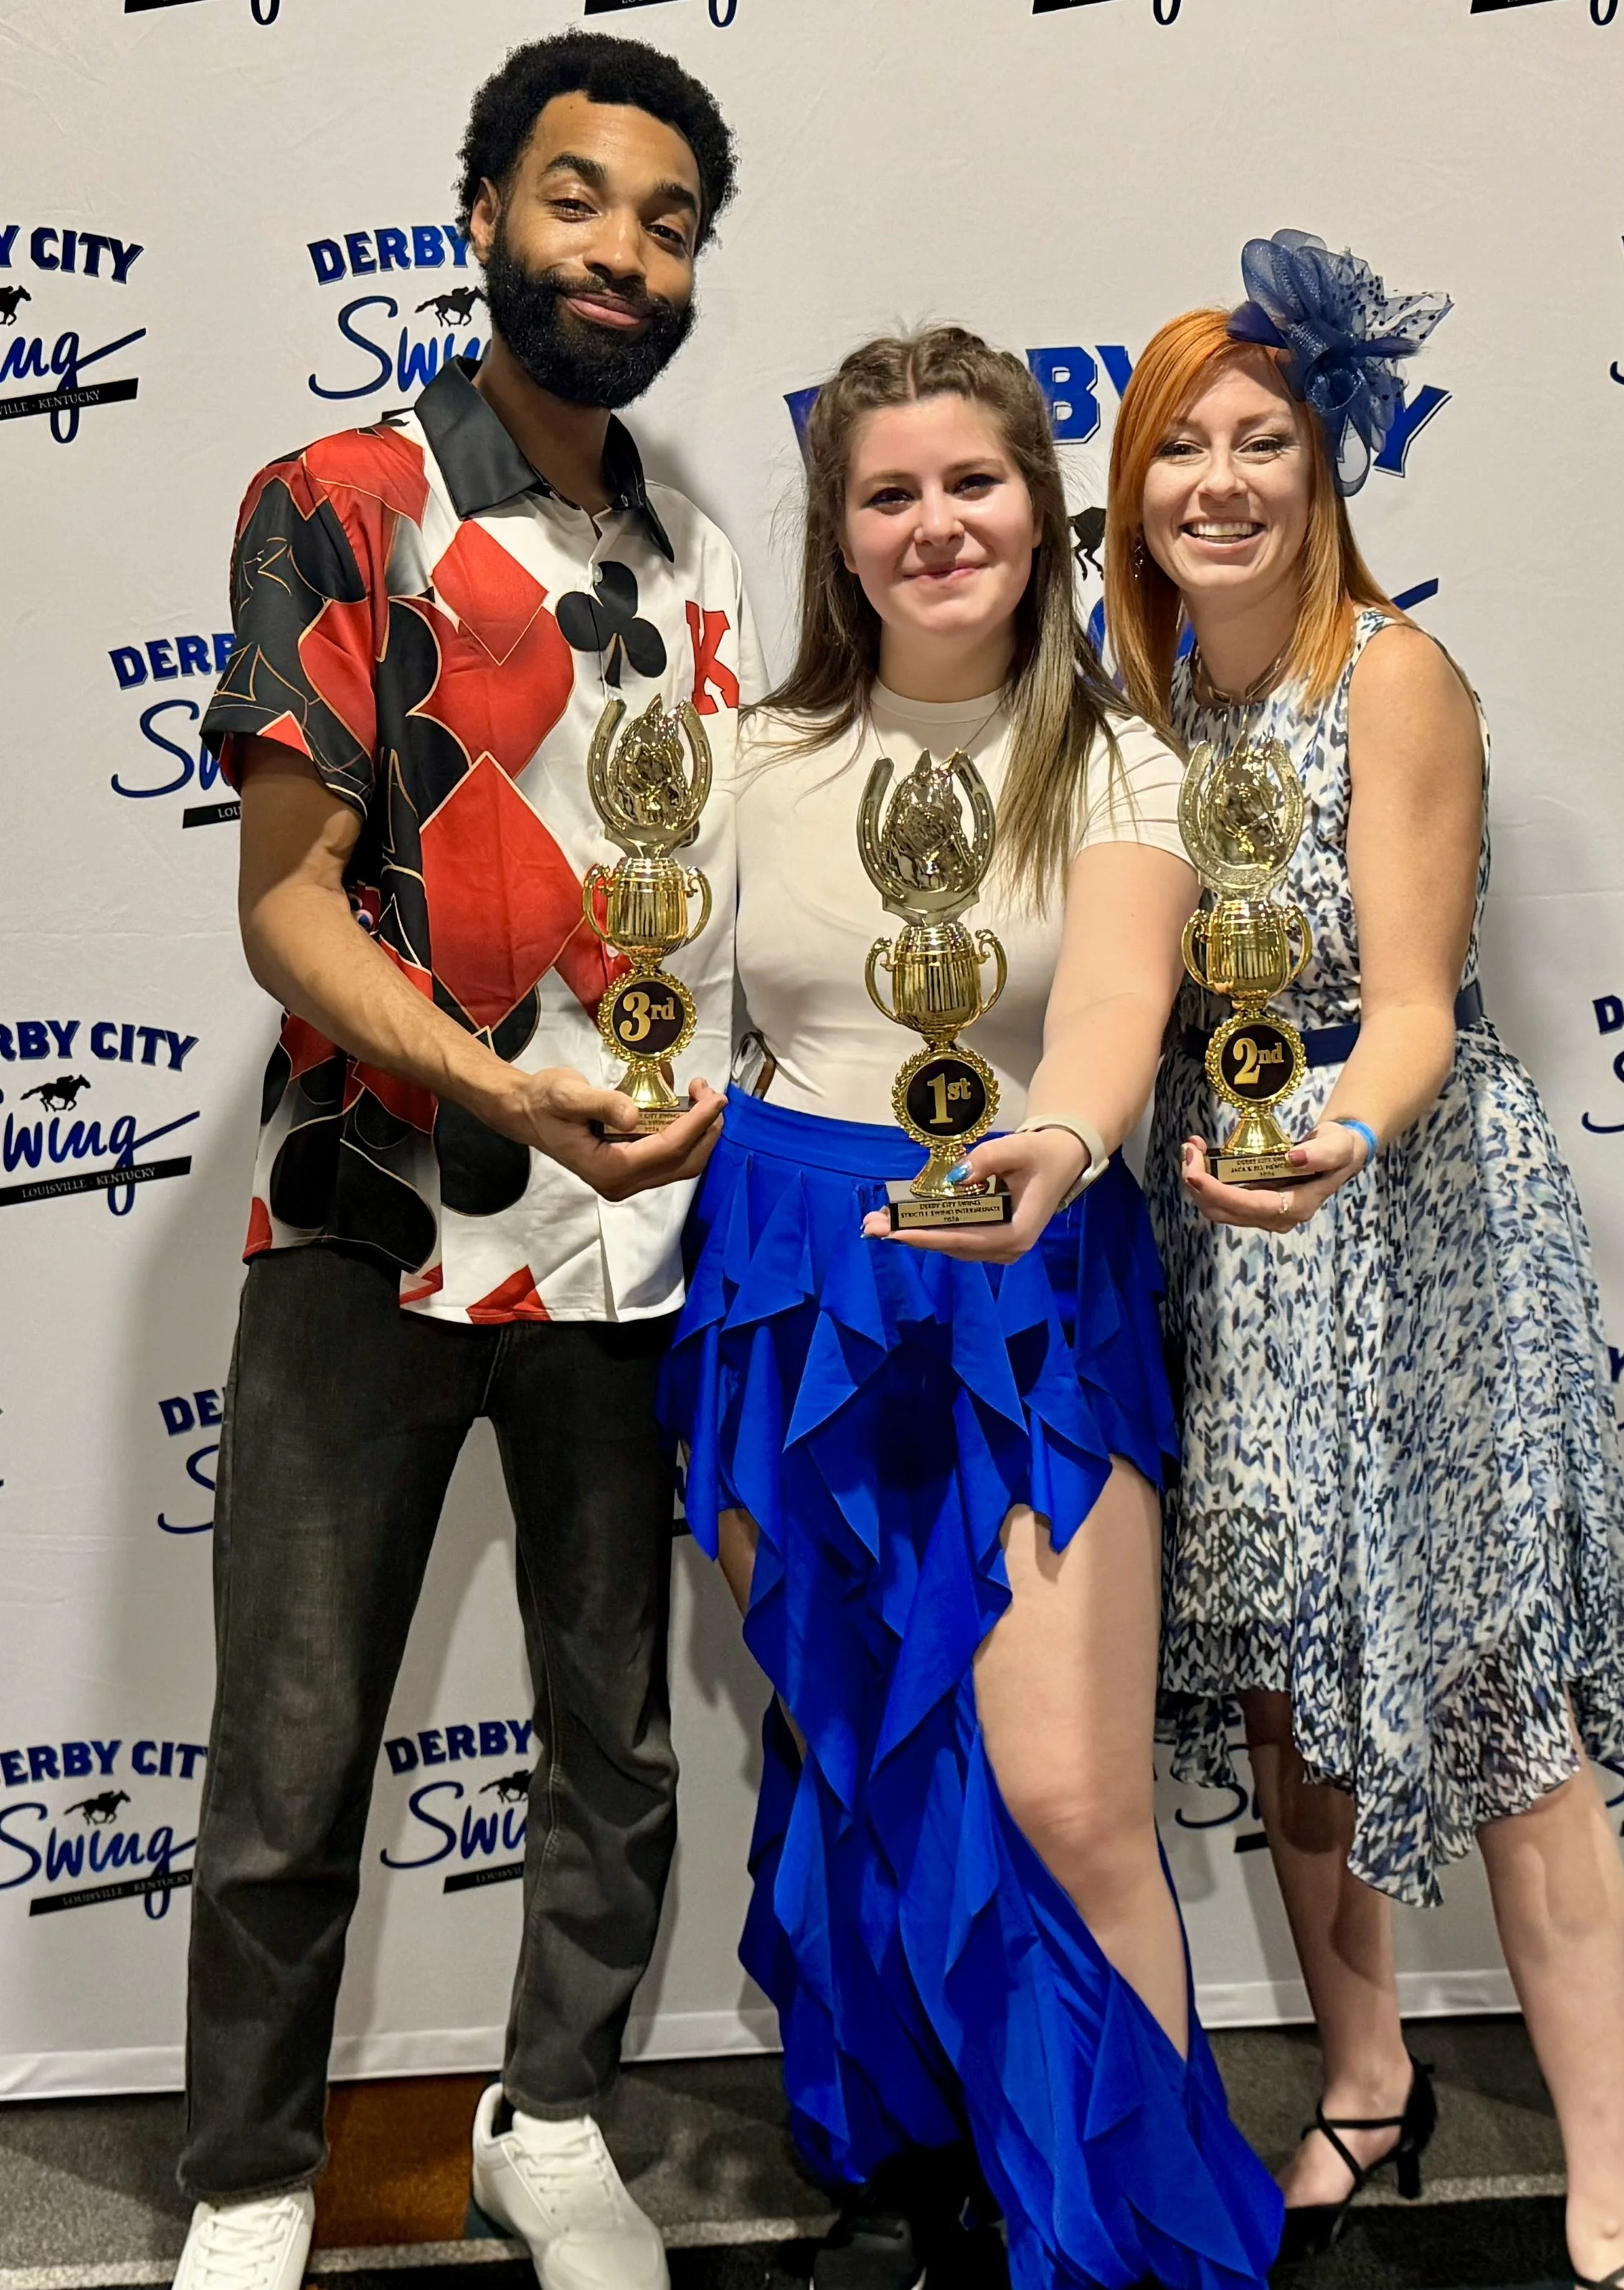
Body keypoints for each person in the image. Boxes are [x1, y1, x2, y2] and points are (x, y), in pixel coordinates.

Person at [173, 35, 761, 2290]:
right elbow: (286, 907)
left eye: (670, 220)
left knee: (611, 1725)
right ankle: (247, 2173)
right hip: (374, 1213)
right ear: (485, 215)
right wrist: (498, 1092)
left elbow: (682, 912)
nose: (622, 250)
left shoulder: (691, 546)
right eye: (580, 198)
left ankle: (553, 2116)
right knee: (298, 1735)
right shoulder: (339, 501)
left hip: (631, 1232)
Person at [661, 326, 1281, 2290]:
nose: (936, 525)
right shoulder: (744, 761)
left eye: (973, 483)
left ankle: (1126, 2239)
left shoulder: (1116, 756)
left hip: (1028, 1267)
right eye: (889, 493)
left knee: (1073, 1791)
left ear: (1042, 507)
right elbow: (666, 1013)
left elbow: (1105, 1007)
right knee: (856, 1744)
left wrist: (1067, 1141)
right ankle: (916, 2170)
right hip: (788, 1273)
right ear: (836, 537)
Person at [1105, 234, 1624, 2289]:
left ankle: (1604, 2183)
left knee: (1501, 1700)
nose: (1223, 480)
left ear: (1323, 466)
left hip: (1406, 1225)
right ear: (1136, 485)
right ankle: (1364, 2075)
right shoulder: (1148, 700)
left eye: (1263, 438)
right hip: (1230, 1249)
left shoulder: (1392, 675)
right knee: (1289, 1694)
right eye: (1184, 446)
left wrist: (1330, 1135)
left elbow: (1413, 1002)